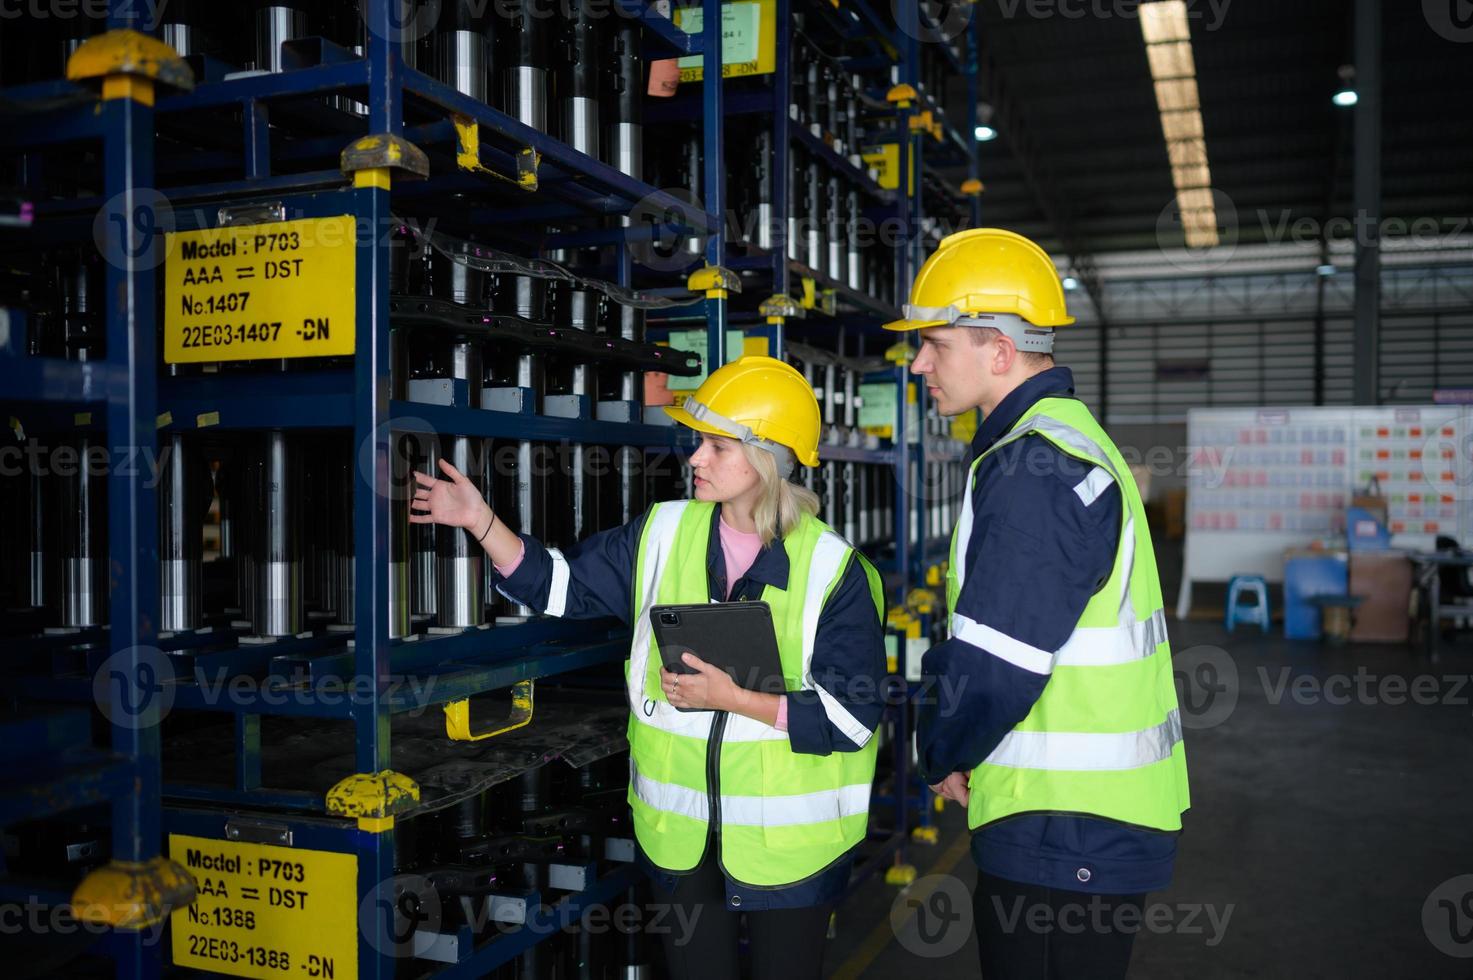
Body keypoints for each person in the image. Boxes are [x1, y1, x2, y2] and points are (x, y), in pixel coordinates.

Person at [410, 355, 887, 980]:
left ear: (765, 460)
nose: (695, 459)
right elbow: (560, 586)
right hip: (679, 843)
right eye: (699, 444)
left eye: (716, 447)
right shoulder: (662, 533)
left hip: (792, 852)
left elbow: (853, 718)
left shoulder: (836, 571)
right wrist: (481, 522)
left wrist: (737, 698)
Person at [883, 229, 1190, 979]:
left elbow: (995, 665)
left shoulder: (1034, 466)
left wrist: (940, 750)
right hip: (1078, 817)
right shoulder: (1057, 441)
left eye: (935, 344)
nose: (918, 362)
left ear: (998, 349)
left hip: (1063, 827)